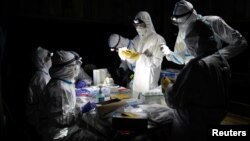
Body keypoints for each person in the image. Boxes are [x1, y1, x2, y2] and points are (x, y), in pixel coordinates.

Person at [161, 1, 235, 140]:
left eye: (188, 44)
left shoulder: (197, 66)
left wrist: (168, 87)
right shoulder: (221, 61)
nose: (188, 49)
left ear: (195, 42)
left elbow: (174, 100)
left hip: (191, 127)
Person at [39, 50, 106, 141]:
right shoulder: (60, 89)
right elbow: (63, 120)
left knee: (93, 128)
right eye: (74, 66)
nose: (76, 68)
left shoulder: (62, 81)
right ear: (66, 68)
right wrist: (81, 109)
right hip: (60, 134)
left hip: (65, 128)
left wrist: (74, 92)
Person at [161, 0, 248, 65]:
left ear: (191, 17)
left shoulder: (214, 22)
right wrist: (169, 54)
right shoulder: (183, 29)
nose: (181, 26)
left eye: (182, 22)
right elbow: (185, 56)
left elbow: (241, 43)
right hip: (196, 72)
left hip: (214, 70)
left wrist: (216, 57)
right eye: (178, 23)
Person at [119, 11, 166, 96]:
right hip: (137, 85)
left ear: (147, 23)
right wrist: (128, 55)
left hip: (148, 86)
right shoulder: (138, 39)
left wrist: (139, 56)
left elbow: (155, 63)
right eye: (136, 26)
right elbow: (134, 62)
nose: (138, 28)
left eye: (140, 25)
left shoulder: (158, 40)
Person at [26, 46, 52, 129]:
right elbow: (46, 99)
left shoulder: (44, 73)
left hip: (41, 110)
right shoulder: (41, 77)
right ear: (42, 61)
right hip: (38, 116)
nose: (50, 60)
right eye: (48, 58)